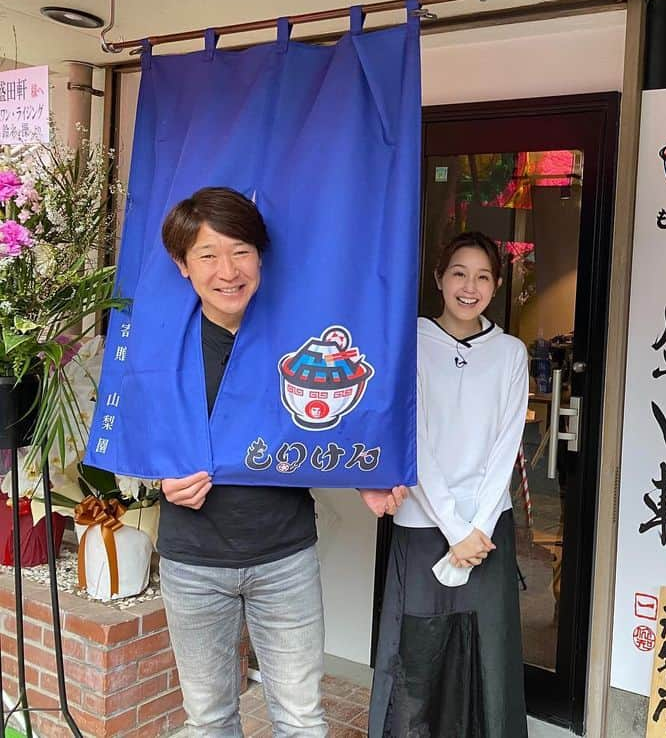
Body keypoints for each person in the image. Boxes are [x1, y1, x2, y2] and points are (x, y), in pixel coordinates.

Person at [156, 186, 405, 737]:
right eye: (207, 255)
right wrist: (160, 479)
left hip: (283, 558)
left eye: (241, 250)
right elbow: (135, 436)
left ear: (261, 257)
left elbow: (329, 426)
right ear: (182, 266)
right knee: (210, 719)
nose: (228, 270)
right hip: (192, 562)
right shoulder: (163, 349)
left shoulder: (298, 340)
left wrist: (363, 474)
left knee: (299, 718)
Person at [369, 230, 529, 738]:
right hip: (424, 522)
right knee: (415, 655)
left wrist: (477, 527)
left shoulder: (509, 353)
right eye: (459, 273)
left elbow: (506, 444)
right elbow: (412, 441)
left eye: (483, 276)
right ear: (439, 278)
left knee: (487, 654)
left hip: (487, 533)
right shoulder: (410, 342)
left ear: (497, 284)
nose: (470, 286)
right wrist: (455, 527)